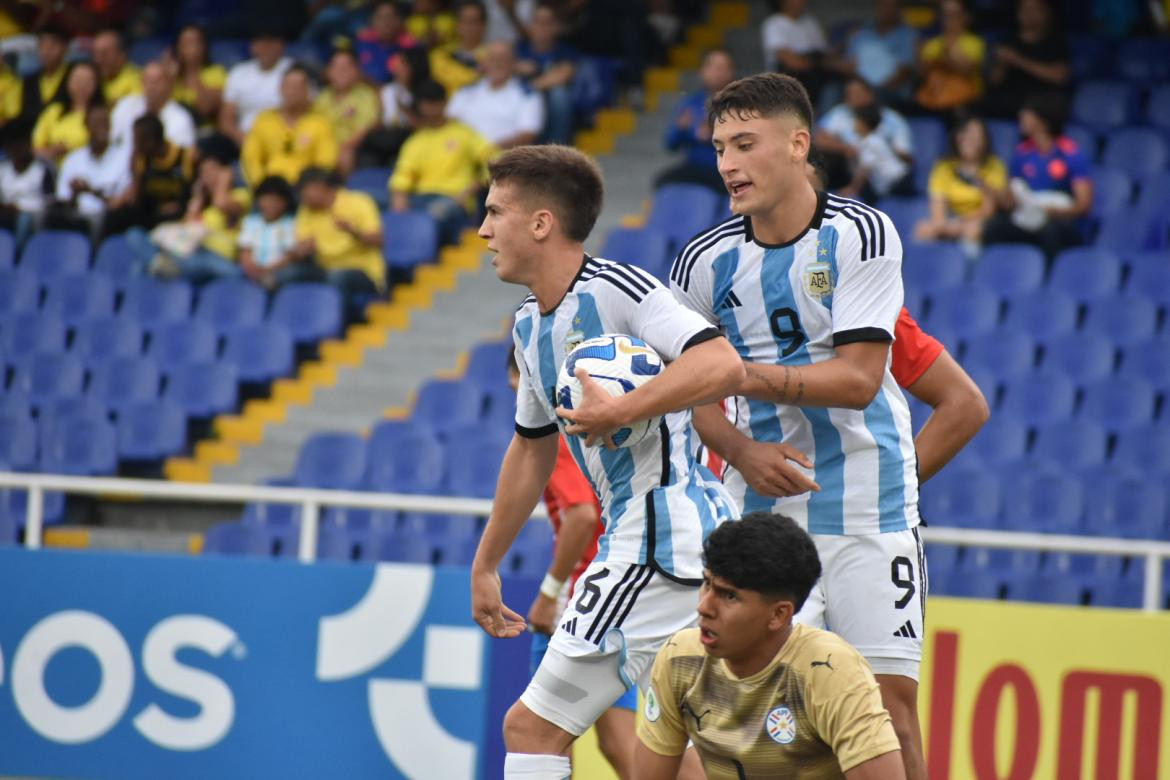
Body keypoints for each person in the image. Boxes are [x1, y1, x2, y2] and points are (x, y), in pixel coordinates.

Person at [669, 73, 927, 779]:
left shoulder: (862, 233)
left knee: (887, 705)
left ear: (798, 144)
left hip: (868, 500)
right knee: (729, 706)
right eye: (721, 146)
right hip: (759, 506)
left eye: (745, 144)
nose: (727, 163)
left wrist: (739, 376)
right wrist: (740, 447)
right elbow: (694, 398)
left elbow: (859, 378)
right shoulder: (702, 261)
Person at [469, 144, 744, 780]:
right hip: (655, 542)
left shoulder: (623, 289)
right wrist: (487, 563)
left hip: (656, 540)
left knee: (534, 729)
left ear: (541, 223)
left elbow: (720, 364)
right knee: (671, 750)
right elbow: (531, 447)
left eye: (494, 213)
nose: (483, 231)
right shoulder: (528, 326)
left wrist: (622, 410)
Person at [635, 512, 905, 779]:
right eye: (707, 584)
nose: (704, 607)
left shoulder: (829, 670)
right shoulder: (679, 658)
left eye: (729, 595)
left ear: (779, 615)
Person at [503, 351, 642, 779]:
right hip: (615, 594)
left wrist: (548, 594)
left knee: (539, 735)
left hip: (579, 605)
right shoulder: (586, 432)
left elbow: (581, 515)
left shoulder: (553, 437)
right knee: (621, 745)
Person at [982, 93, 1091, 259]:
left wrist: (1054, 212)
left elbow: (1083, 205)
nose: (1021, 116)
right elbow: (1010, 201)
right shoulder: (1022, 152)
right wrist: (997, 195)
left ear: (1042, 119)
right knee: (994, 227)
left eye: (1027, 113)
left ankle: (1049, 280)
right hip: (1029, 217)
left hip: (1060, 221)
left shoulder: (1071, 152)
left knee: (1050, 232)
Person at [389, 79, 497, 246]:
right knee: (392, 218)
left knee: (434, 214)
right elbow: (402, 178)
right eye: (426, 103)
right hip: (420, 199)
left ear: (444, 103)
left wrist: (468, 191)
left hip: (453, 199)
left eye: (435, 102)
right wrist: (400, 208)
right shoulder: (415, 141)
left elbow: (494, 162)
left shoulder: (464, 133)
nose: (430, 107)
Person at [913, 114, 1006, 257]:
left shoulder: (994, 166)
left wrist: (959, 224)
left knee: (973, 231)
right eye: (965, 133)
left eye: (975, 134)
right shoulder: (944, 166)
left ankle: (968, 274)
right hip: (950, 219)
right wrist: (941, 224)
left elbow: (988, 209)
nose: (969, 140)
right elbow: (937, 203)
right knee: (923, 230)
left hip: (979, 221)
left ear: (985, 140)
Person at [291, 166, 385, 306]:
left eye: (305, 193)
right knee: (288, 275)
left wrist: (354, 232)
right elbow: (301, 246)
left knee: (336, 276)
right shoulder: (305, 210)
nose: (302, 198)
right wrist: (302, 249)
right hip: (323, 269)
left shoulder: (360, 202)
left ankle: (336, 324)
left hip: (362, 271)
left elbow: (378, 240)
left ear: (319, 187)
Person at [242, 65, 338, 187]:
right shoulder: (264, 120)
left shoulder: (320, 123)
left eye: (298, 87)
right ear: (280, 89)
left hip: (305, 189)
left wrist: (309, 186)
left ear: (307, 91)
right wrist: (262, 185)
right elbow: (251, 159)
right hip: (269, 189)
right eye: (288, 86)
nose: (292, 92)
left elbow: (325, 162)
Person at [656, 48, 736, 195]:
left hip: (726, 169)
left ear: (731, 72)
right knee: (661, 182)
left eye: (723, 67)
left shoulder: (738, 104)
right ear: (703, 71)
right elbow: (671, 144)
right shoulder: (691, 102)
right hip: (694, 167)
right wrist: (681, 129)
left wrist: (714, 135)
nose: (718, 72)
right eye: (713, 67)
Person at [47, 104, 131, 240]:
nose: (102, 127)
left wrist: (90, 191)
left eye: (105, 122)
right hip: (76, 218)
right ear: (86, 126)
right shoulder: (73, 158)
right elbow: (64, 201)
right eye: (96, 123)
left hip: (108, 219)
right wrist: (75, 194)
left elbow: (119, 204)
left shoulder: (124, 157)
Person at [103, 114, 195, 237]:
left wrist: (182, 205)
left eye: (137, 141)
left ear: (151, 141)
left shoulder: (185, 157)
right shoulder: (142, 160)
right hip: (153, 214)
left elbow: (196, 193)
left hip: (179, 214)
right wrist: (134, 174)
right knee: (115, 217)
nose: (135, 146)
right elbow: (136, 197)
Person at [815, 76, 911, 192]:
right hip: (868, 178)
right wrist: (844, 148)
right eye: (850, 93)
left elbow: (865, 170)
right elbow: (819, 137)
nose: (854, 97)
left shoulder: (874, 139)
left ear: (871, 94)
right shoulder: (841, 112)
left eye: (858, 92)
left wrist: (852, 189)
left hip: (897, 181)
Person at [447, 42, 544, 149]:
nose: (498, 64)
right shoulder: (466, 90)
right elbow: (449, 122)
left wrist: (487, 150)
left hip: (503, 159)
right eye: (492, 59)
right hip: (461, 155)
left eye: (503, 59)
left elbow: (527, 135)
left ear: (513, 62)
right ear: (484, 63)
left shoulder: (527, 93)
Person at [983, 0, 1069, 119]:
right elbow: (994, 81)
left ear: (1047, 13)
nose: (1028, 14)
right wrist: (1001, 64)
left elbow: (1059, 76)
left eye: (1035, 9)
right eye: (1024, 9)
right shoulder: (1008, 41)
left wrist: (1017, 60)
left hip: (1041, 102)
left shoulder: (1056, 42)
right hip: (1010, 103)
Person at [219, 28, 293, 147]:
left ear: (281, 45)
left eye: (271, 42)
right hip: (243, 138)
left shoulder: (293, 70)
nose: (266, 47)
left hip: (284, 138)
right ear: (252, 46)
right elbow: (226, 120)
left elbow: (304, 111)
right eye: (261, 42)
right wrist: (246, 141)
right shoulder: (238, 73)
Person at [514, 3, 577, 145]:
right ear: (530, 26)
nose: (542, 27)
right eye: (538, 22)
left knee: (559, 94)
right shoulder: (519, 48)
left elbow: (565, 74)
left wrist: (532, 85)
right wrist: (515, 68)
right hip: (522, 105)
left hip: (549, 104)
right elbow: (504, 68)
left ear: (556, 27)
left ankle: (556, 147)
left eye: (547, 22)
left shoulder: (564, 50)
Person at [315, 50, 380, 177]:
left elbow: (365, 128)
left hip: (351, 147)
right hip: (324, 146)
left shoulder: (365, 95)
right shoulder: (322, 98)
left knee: (346, 155)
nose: (341, 72)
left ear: (356, 71)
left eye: (346, 67)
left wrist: (342, 148)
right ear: (328, 72)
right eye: (336, 67)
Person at [842, 0, 917, 106]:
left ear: (898, 9)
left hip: (891, 89)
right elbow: (849, 66)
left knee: (874, 98)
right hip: (860, 85)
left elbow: (904, 72)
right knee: (832, 90)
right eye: (883, 5)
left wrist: (873, 90)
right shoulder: (861, 32)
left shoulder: (907, 35)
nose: (887, 10)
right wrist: (862, 87)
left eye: (891, 6)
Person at [915, 0, 985, 113]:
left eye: (954, 14)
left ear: (965, 17)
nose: (949, 19)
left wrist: (947, 51)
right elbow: (921, 75)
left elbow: (966, 70)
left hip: (966, 101)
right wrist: (919, 55)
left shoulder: (975, 43)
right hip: (935, 98)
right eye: (945, 15)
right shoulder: (932, 44)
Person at [110, 61, 197, 152]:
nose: (151, 86)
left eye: (157, 81)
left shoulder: (181, 119)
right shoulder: (125, 106)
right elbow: (114, 143)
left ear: (169, 85)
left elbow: (182, 157)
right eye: (148, 80)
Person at [32, 61, 105, 165]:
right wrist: (54, 151)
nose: (82, 85)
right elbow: (35, 149)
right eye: (77, 80)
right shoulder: (53, 111)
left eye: (87, 81)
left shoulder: (100, 115)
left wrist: (71, 148)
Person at [761, 0, 831, 107]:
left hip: (815, 80)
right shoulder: (774, 23)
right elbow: (793, 62)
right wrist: (817, 62)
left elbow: (825, 55)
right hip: (784, 83)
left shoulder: (810, 22)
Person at [838, 102, 913, 201]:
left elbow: (865, 171)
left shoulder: (871, 142)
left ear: (864, 124)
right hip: (891, 184)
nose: (853, 123)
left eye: (856, 120)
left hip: (900, 182)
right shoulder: (866, 141)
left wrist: (852, 189)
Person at [237, 175, 299, 289]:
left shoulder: (290, 224)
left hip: (277, 272)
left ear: (286, 202)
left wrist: (268, 269)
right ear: (259, 200)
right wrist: (252, 268)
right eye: (267, 199)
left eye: (276, 200)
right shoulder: (251, 222)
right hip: (252, 271)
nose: (272, 204)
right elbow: (245, 252)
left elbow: (289, 256)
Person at [0, 119, 53, 245]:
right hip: (6, 216)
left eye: (23, 143)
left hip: (33, 219)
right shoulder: (2, 169)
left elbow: (49, 204)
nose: (19, 148)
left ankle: (19, 256)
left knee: (24, 220)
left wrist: (22, 209)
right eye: (14, 143)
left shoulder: (43, 170)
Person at [169, 24, 228, 129]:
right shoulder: (171, 76)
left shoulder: (216, 72)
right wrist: (170, 78)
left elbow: (206, 108)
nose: (190, 48)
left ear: (204, 47)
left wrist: (193, 69)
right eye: (185, 43)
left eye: (194, 42)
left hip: (203, 131)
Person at [430, 0, 488, 96]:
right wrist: (475, 75)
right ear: (457, 24)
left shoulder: (492, 56)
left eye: (474, 21)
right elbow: (437, 86)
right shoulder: (440, 54)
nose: (469, 27)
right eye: (464, 21)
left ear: (483, 26)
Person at [356, 1, 418, 84]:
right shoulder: (362, 42)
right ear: (372, 21)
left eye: (390, 17)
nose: (386, 22)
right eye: (381, 18)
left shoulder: (411, 47)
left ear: (399, 20)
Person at [19, 24, 69, 122]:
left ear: (65, 48)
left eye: (52, 46)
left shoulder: (72, 76)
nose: (46, 51)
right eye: (42, 45)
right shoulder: (29, 81)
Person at [93, 28, 142, 104]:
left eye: (104, 54)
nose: (98, 59)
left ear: (122, 55)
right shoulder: (93, 79)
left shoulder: (138, 80)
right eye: (96, 53)